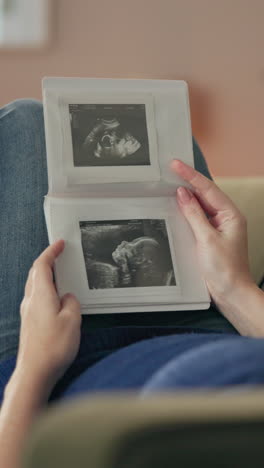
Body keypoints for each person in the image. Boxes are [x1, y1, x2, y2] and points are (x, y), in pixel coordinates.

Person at [0, 99, 264, 468]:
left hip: (52, 367)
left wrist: (34, 365)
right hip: (220, 321)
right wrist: (235, 288)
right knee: (165, 134)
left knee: (23, 122)